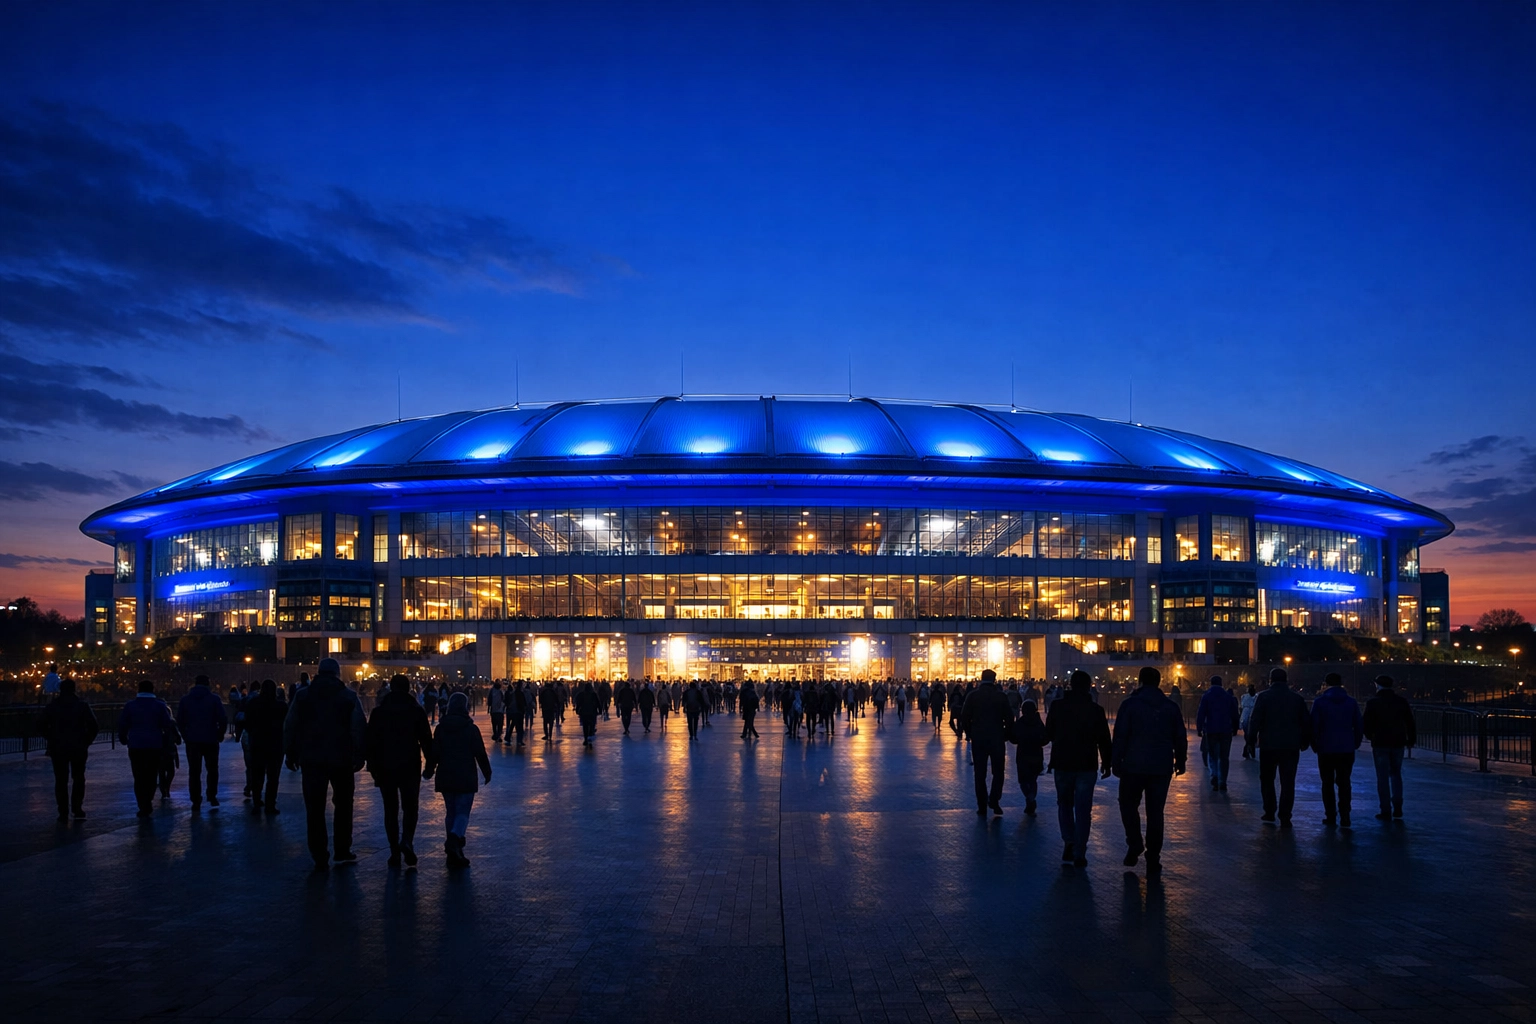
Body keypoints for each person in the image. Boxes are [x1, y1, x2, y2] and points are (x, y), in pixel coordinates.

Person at [284, 658, 367, 869]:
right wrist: (359, 754)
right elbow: (358, 727)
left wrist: (291, 752)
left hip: (311, 758)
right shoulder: (348, 697)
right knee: (344, 805)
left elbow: (290, 725)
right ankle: (342, 849)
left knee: (315, 808)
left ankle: (319, 853)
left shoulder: (303, 696)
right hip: (341, 758)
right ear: (337, 673)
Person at [1112, 666, 1187, 874]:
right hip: (1161, 765)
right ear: (1159, 681)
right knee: (1155, 812)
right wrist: (1180, 761)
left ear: (1140, 681)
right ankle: (1153, 855)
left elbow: (1120, 735)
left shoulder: (1129, 705)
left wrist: (1115, 760)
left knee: (1128, 805)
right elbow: (1180, 737)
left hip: (1133, 764)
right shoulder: (1170, 707)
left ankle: (1134, 841)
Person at [1044, 670, 1113, 867]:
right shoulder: (1096, 710)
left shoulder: (1058, 707)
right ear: (1088, 686)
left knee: (1064, 804)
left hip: (1063, 763)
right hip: (1086, 764)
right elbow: (1104, 740)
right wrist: (1107, 763)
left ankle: (1069, 840)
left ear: (1070, 685)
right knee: (1083, 809)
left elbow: (1048, 733)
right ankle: (1080, 850)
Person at [367, 674, 436, 868]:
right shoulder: (416, 710)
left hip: (385, 765)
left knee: (390, 808)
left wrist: (371, 766)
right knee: (410, 807)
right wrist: (430, 765)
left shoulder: (379, 712)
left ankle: (394, 851)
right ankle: (407, 840)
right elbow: (426, 740)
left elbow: (370, 741)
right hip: (409, 764)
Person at [426, 691, 491, 867]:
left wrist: (429, 769)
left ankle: (454, 851)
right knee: (463, 812)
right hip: (465, 774)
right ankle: (454, 840)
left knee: (451, 812)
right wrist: (487, 772)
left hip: (446, 774)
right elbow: (479, 752)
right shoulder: (471, 729)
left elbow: (435, 753)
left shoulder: (441, 728)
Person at [1246, 668, 1311, 826]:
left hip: (1268, 745)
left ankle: (1269, 811)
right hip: (1290, 746)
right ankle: (1285, 814)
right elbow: (1306, 723)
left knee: (1267, 779)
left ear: (1270, 680)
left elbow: (1255, 721)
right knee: (1288, 782)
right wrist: (1304, 741)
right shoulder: (1297, 699)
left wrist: (1251, 740)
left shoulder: (1263, 697)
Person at [37, 678, 98, 821]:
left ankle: (63, 811)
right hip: (78, 747)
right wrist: (86, 741)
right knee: (78, 777)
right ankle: (77, 807)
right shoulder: (82, 706)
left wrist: (50, 739)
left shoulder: (52, 707)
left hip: (58, 747)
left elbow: (40, 725)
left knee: (60, 780)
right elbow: (94, 726)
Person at [1311, 672, 1363, 828]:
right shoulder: (1351, 702)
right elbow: (1358, 725)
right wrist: (1355, 742)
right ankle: (1345, 815)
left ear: (1325, 683)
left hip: (1326, 747)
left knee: (1327, 783)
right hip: (1346, 747)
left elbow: (1314, 725)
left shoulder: (1319, 702)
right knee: (1344, 782)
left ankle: (1330, 815)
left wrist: (1314, 744)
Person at [959, 669, 1014, 817]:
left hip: (979, 738)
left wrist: (970, 733)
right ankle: (994, 800)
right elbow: (1009, 717)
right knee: (998, 772)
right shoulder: (1001, 696)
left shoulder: (973, 696)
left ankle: (981, 805)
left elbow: (964, 717)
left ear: (981, 679)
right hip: (997, 737)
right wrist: (1006, 734)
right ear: (994, 679)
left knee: (980, 774)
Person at [1363, 674, 1416, 821]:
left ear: (1377, 685)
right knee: (1396, 774)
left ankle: (1385, 809)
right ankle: (1398, 806)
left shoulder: (1373, 702)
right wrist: (1411, 739)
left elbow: (1366, 723)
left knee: (1382, 777)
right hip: (1398, 741)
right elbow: (1409, 722)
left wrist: (1370, 736)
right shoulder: (1401, 701)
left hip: (1380, 742)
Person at [119, 679, 175, 817]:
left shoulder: (130, 706)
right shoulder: (160, 706)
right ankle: (148, 799)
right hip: (154, 744)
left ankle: (142, 804)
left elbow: (123, 724)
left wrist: (123, 738)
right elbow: (167, 725)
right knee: (151, 774)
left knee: (138, 776)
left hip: (136, 744)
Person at [177, 675, 228, 810]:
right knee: (212, 769)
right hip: (210, 739)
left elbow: (180, 721)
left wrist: (185, 735)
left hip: (192, 739)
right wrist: (220, 734)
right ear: (208, 684)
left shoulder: (185, 700)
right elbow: (222, 719)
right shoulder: (214, 699)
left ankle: (195, 799)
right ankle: (211, 795)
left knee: (194, 771)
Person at [242, 679, 287, 814]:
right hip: (275, 744)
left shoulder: (253, 704)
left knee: (257, 774)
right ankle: (270, 804)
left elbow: (247, 722)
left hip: (258, 743)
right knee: (273, 777)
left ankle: (257, 800)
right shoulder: (281, 706)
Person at [1195, 675, 1240, 791]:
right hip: (1226, 729)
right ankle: (1223, 781)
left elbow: (1201, 713)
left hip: (1210, 729)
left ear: (1210, 683)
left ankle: (1214, 774)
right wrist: (1235, 727)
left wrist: (1199, 728)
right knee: (1224, 757)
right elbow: (1235, 714)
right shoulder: (1228, 697)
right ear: (1221, 683)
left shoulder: (1206, 696)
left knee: (1212, 754)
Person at [1009, 698, 1047, 816]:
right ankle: (1031, 798)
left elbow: (1013, 738)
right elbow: (1046, 737)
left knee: (1023, 780)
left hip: (1023, 754)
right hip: (1036, 753)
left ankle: (1029, 798)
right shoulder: (1038, 723)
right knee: (1033, 779)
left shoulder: (1020, 723)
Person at [574, 682, 600, 747]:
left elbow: (579, 703)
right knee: (592, 725)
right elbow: (598, 703)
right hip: (592, 712)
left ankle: (585, 738)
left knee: (585, 726)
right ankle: (590, 736)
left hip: (584, 712)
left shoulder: (582, 694)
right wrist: (600, 710)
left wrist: (577, 710)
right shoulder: (594, 694)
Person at [1240, 684, 1259, 758]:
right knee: (1252, 734)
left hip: (1246, 714)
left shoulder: (1244, 697)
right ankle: (1250, 748)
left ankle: (1248, 748)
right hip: (1252, 714)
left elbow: (1241, 706)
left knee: (1248, 734)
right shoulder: (1256, 697)